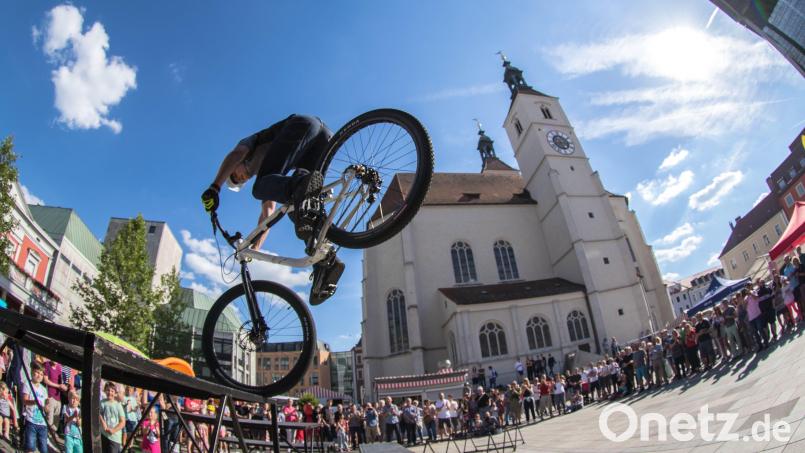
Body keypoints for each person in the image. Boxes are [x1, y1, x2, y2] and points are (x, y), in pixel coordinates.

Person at [200, 114, 343, 304]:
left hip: (303, 125)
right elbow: (268, 213)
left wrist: (215, 186)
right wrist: (255, 247)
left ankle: (301, 183)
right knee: (298, 206)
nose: (241, 179)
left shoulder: (249, 147)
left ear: (235, 167)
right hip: (323, 140)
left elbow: (236, 155)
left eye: (235, 176)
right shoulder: (269, 176)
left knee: (261, 188)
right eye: (238, 182)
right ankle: (326, 259)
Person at [22, 362, 48, 453]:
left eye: (41, 374)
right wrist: (34, 402)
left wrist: (47, 407)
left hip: (42, 423)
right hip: (31, 421)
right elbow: (24, 401)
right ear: (32, 372)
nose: (39, 375)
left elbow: (45, 407)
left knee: (44, 448)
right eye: (37, 372)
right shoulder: (28, 384)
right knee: (30, 446)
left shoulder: (44, 389)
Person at [100, 382, 126, 453]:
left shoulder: (118, 405)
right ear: (105, 391)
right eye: (108, 390)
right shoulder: (102, 403)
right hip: (103, 435)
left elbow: (123, 422)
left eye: (112, 391)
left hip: (115, 438)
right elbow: (98, 414)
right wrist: (103, 423)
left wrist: (114, 430)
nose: (110, 392)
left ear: (115, 393)